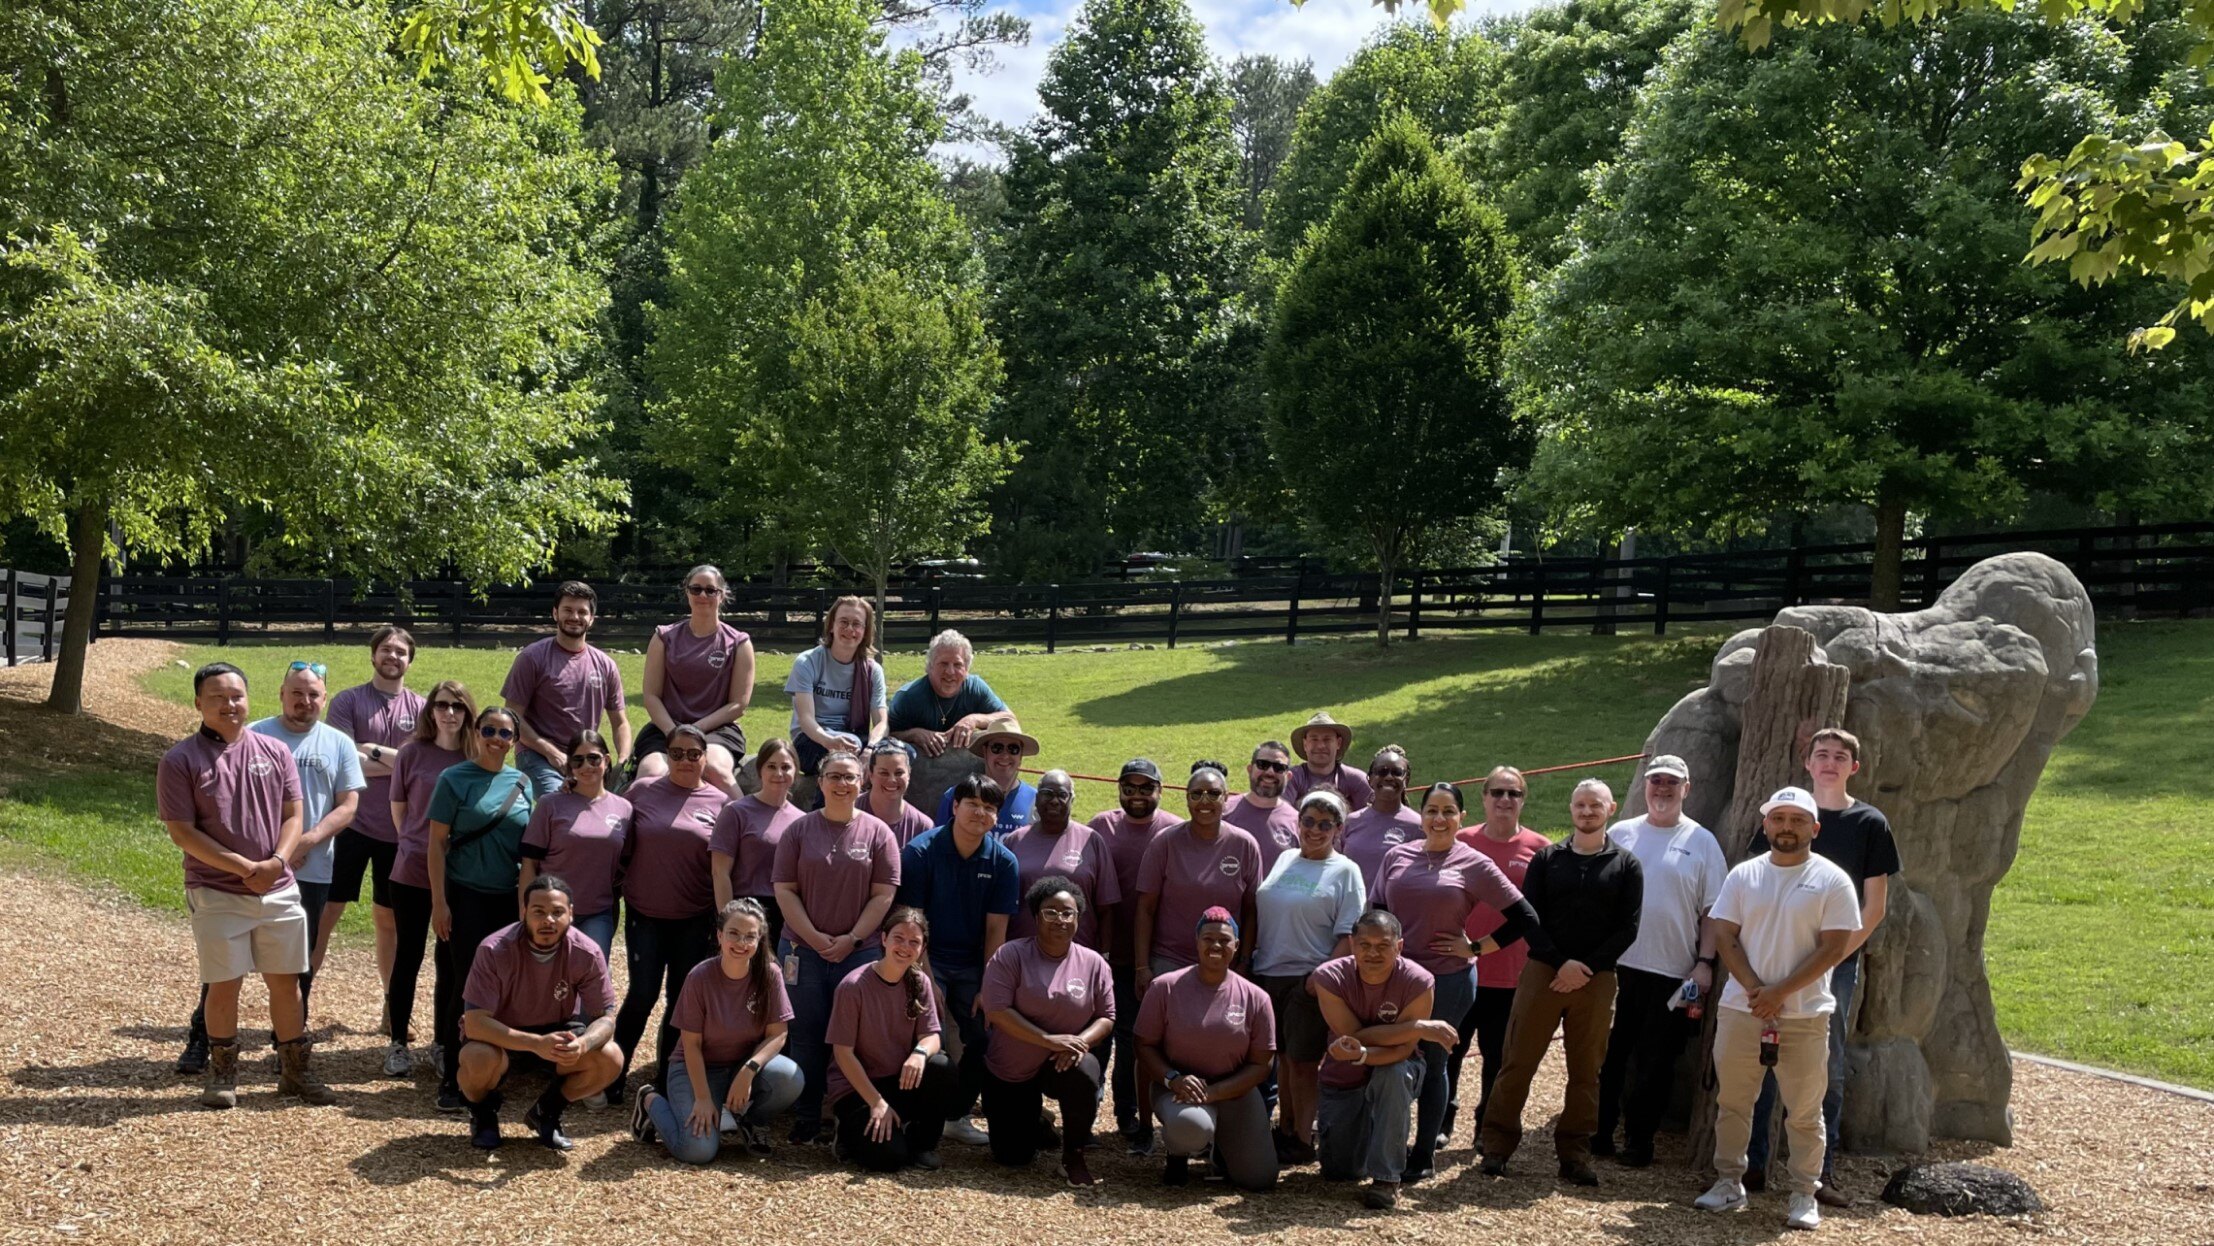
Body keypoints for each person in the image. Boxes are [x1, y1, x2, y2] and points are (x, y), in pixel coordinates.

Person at [158, 662, 334, 1109]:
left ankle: (295, 1071)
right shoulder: (180, 760)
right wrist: (238, 865)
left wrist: (276, 861)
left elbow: (294, 815)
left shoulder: (274, 752)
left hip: (277, 887)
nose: (229, 705)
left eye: (236, 696)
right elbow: (181, 831)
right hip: (217, 891)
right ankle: (223, 1074)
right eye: (217, 698)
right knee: (224, 984)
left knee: (286, 982)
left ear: (249, 699)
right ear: (199, 704)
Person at [1694, 787, 1861, 1232]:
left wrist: (1780, 992)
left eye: (1798, 820)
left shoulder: (1833, 879)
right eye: (1779, 819)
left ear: (1815, 828)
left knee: (1805, 1110)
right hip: (1741, 1010)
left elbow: (1835, 947)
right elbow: (1725, 934)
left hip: (1805, 1015)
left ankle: (1804, 1192)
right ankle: (1729, 1181)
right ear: (1766, 825)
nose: (1787, 827)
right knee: (1732, 1102)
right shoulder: (1744, 875)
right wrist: (1755, 990)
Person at [1744, 728, 1900, 1205]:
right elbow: (1755, 885)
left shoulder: (1869, 823)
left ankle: (1817, 1176)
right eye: (1821, 755)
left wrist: (1828, 959)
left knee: (1822, 1066)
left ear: (1854, 767)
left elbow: (1873, 908)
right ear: (1807, 763)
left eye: (1840, 756)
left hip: (1836, 966)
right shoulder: (1784, 814)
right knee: (1758, 1060)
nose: (1830, 762)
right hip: (1772, 959)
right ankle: (1750, 1167)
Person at [1369, 780, 1538, 1181]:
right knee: (1387, 1055)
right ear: (1421, 815)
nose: (1439, 819)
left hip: (1447, 979)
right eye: (1432, 810)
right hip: (1395, 977)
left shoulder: (1472, 862)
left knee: (1434, 1060)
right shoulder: (1397, 856)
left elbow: (1525, 917)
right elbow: (1376, 909)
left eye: (1448, 811)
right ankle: (1381, 1144)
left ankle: (1423, 1153)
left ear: (1462, 817)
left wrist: (1477, 948)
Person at [1478, 779, 1644, 1186]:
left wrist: (1584, 967)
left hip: (1597, 977)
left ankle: (1574, 1154)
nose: (1587, 812)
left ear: (1611, 808)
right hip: (1542, 972)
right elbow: (1530, 918)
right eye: (1580, 805)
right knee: (1517, 1061)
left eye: (1595, 805)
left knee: (1586, 1071)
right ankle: (1497, 1147)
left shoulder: (1626, 865)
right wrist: (1559, 962)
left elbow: (1628, 928)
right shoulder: (1547, 859)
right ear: (1571, 810)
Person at [1595, 754, 1728, 1168]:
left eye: (1672, 782)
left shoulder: (1702, 842)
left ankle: (1640, 1140)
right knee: (1608, 1054)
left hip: (1673, 972)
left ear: (1686, 789)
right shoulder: (1620, 834)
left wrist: (1705, 962)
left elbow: (1713, 911)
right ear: (1646, 787)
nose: (1663, 789)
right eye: (1656, 782)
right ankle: (1598, 1133)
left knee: (1656, 1062)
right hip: (1616, 967)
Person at [772, 749, 901, 1143]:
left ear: (861, 782)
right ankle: (807, 1117)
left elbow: (884, 895)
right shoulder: (798, 830)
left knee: (852, 1038)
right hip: (802, 951)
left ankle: (845, 1113)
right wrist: (812, 937)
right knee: (806, 1035)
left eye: (849, 777)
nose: (842, 784)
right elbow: (785, 889)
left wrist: (852, 939)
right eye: (834, 776)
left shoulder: (879, 834)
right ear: (821, 781)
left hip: (858, 953)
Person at [456, 874, 623, 1150]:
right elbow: (475, 1024)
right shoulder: (493, 949)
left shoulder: (587, 952)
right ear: (524, 912)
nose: (548, 920)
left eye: (557, 912)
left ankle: (547, 1112)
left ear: (571, 913)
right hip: (501, 1034)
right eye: (539, 912)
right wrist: (535, 1044)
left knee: (610, 1058)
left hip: (557, 1029)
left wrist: (584, 1044)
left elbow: (605, 1019)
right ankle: (483, 1114)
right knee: (476, 1058)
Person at [899, 775, 1023, 1147]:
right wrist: (927, 979)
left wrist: (990, 984)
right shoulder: (921, 852)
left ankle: (957, 1114)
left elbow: (995, 932)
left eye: (989, 808)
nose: (980, 813)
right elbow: (912, 925)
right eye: (973, 804)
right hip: (924, 956)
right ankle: (911, 1116)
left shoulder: (1003, 862)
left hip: (973, 965)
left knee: (983, 1036)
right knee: (918, 1033)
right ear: (955, 807)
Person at [631, 898, 805, 1162]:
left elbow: (778, 1033)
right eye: (734, 934)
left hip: (740, 1066)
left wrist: (749, 1070)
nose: (741, 943)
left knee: (790, 1077)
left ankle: (751, 1120)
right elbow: (691, 1045)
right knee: (698, 1151)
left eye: (750, 936)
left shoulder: (770, 974)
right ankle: (651, 1101)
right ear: (720, 935)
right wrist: (702, 1098)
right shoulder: (700, 977)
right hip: (695, 1069)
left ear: (759, 941)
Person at [427, 704, 536, 1111]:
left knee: (503, 986)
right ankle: (454, 1075)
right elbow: (436, 845)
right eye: (489, 730)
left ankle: (492, 1066)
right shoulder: (453, 779)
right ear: (476, 732)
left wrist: (526, 907)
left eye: (505, 733)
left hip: (507, 898)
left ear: (514, 741)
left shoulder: (523, 782)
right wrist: (439, 902)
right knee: (464, 984)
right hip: (465, 894)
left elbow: (529, 853)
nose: (496, 738)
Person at [611, 723, 727, 1099]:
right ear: (666, 755)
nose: (685, 761)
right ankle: (612, 1074)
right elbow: (610, 821)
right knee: (641, 995)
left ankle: (666, 1081)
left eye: (694, 754)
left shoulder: (719, 802)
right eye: (677, 753)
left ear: (705, 757)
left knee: (681, 1003)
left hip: (695, 918)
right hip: (646, 914)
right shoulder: (643, 791)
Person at [1311, 910, 1455, 1210]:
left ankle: (1387, 1179)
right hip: (1343, 1071)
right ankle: (1373, 1131)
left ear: (1399, 947)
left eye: (1383, 945)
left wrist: (1364, 1053)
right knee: (1341, 1172)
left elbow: (1401, 1050)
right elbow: (1352, 1034)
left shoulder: (1418, 981)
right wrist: (1416, 1027)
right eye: (1365, 945)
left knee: (1393, 1074)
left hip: (1396, 1064)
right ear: (1352, 944)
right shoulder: (1328, 976)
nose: (1373, 953)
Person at [1252, 790, 1366, 1165]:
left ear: (1337, 829)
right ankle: (1284, 1128)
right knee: (1282, 1058)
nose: (1314, 830)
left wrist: (1318, 979)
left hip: (1308, 977)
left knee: (1302, 1063)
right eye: (1308, 821)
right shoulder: (1285, 858)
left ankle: (1302, 1136)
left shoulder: (1345, 870)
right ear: (1297, 822)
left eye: (1325, 824)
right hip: (1269, 972)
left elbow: (1349, 933)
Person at [248, 660, 365, 1025]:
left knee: (301, 959)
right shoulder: (253, 736)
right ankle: (203, 1036)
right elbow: (239, 802)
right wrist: (279, 852)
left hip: (313, 869)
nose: (304, 700)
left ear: (324, 698)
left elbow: (348, 806)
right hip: (256, 866)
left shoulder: (339, 743)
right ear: (281, 694)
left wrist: (309, 840)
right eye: (296, 692)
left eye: (312, 694)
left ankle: (290, 1041)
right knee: (229, 955)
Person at [980, 877, 1117, 1184]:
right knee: (1012, 1158)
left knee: (1085, 1072)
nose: (1060, 919)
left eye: (1068, 912)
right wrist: (1048, 1039)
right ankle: (1037, 1122)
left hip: (1063, 1062)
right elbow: (997, 1012)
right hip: (1012, 1068)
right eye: (1050, 912)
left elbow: (1106, 1017)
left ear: (1078, 918)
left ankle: (1073, 1157)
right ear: (1035, 916)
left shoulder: (1093, 963)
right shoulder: (1010, 955)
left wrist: (1079, 1043)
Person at [1442, 765, 1551, 1147]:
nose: (1505, 800)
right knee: (1449, 1050)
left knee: (1497, 1056)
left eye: (1514, 793)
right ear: (1483, 797)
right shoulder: (1461, 841)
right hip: (1458, 969)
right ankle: (1442, 1121)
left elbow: (1538, 914)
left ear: (1523, 800)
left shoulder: (1540, 849)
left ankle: (1486, 1126)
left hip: (1510, 975)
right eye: (1498, 792)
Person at [323, 624, 424, 1027]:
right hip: (350, 825)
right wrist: (396, 759)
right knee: (327, 913)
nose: (393, 657)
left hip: (398, 832)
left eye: (401, 652)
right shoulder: (348, 702)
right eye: (386, 649)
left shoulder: (421, 708)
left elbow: (416, 766)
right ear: (373, 655)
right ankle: (300, 998)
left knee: (389, 921)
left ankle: (391, 1004)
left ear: (410, 660)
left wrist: (372, 750)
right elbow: (341, 765)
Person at [1136, 907, 1279, 1190]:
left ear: (1237, 946)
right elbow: (1143, 1045)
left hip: (1234, 1091)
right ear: (1196, 942)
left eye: (1225, 940)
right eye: (1208, 938)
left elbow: (1262, 1065)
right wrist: (1172, 1079)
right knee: (1191, 1129)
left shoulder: (1257, 998)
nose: (1216, 945)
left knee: (1259, 1180)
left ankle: (1223, 1151)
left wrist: (1215, 1092)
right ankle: (1177, 1153)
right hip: (1178, 1088)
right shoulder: (1164, 987)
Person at [1088, 757, 1183, 1150]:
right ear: (1119, 789)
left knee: (1133, 1040)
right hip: (1101, 952)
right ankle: (1087, 1112)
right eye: (1130, 787)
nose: (1138, 795)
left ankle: (1128, 1113)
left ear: (1160, 790)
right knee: (1097, 1036)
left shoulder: (1175, 829)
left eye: (1147, 788)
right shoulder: (1100, 827)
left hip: (1151, 955)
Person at [382, 679, 475, 1079]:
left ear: (468, 712)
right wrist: (415, 843)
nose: (449, 713)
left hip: (459, 874)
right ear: (430, 711)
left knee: (449, 963)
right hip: (411, 872)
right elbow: (399, 810)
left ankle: (441, 1042)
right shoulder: (412, 753)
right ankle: (398, 1042)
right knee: (408, 957)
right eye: (441, 705)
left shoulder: (476, 756)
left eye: (457, 706)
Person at [827, 907, 965, 1172]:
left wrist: (919, 1053)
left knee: (941, 1066)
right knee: (889, 1159)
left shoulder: (920, 981)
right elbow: (843, 1053)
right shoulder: (854, 986)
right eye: (898, 938)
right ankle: (846, 1132)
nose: (905, 947)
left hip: (899, 1080)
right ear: (883, 939)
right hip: (857, 1088)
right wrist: (876, 1102)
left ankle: (922, 1144)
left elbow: (932, 1036)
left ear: (923, 948)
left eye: (914, 942)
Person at [1135, 764, 1262, 987]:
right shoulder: (1165, 843)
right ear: (1187, 799)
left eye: (1213, 793)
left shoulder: (1245, 845)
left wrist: (1243, 962)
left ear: (1226, 797)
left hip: (1225, 964)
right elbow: (1145, 908)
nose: (1204, 801)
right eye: (1196, 794)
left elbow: (1252, 910)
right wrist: (1142, 967)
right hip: (1170, 961)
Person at [502, 580, 632, 797]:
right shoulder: (532, 658)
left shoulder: (605, 665)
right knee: (562, 803)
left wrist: (622, 761)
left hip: (586, 756)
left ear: (591, 619)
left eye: (582, 612)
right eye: (568, 610)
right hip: (538, 755)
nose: (575, 617)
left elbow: (620, 722)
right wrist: (552, 752)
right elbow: (512, 718)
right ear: (555, 613)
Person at [636, 565, 756, 796]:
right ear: (687, 592)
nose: (703, 595)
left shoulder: (739, 643)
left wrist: (694, 731)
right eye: (696, 589)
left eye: (710, 590)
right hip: (666, 728)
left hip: (718, 730)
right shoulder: (663, 637)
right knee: (651, 772)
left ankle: (745, 825)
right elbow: (651, 696)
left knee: (714, 769)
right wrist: (674, 733)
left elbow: (738, 704)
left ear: (721, 595)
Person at [518, 729, 632, 961]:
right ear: (569, 765)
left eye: (593, 758)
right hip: (549, 911)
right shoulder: (551, 804)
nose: (586, 766)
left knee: (592, 979)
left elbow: (625, 865)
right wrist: (525, 911)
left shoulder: (624, 809)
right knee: (546, 981)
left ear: (607, 760)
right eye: (578, 760)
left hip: (597, 912)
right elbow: (529, 863)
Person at [1003, 769, 1121, 951]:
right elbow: (1000, 907)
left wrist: (1104, 955)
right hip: (1022, 954)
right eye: (1047, 794)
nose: (1054, 800)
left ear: (1072, 799)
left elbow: (1106, 909)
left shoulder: (1092, 841)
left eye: (1062, 795)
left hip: (1078, 956)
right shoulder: (1015, 840)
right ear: (1037, 798)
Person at [710, 738, 805, 952]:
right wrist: (728, 922)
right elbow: (720, 872)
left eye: (785, 767)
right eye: (771, 766)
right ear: (760, 769)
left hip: (786, 914)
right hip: (744, 909)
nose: (778, 773)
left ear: (795, 772)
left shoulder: (802, 820)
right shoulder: (736, 812)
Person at [785, 595, 887, 776]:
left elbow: (881, 722)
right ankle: (825, 805)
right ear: (831, 625)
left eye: (857, 624)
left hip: (854, 738)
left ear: (865, 630)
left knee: (897, 756)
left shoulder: (873, 671)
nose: (849, 629)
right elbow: (806, 719)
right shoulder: (807, 662)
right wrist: (829, 741)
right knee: (840, 764)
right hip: (812, 739)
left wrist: (871, 748)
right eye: (843, 622)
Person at [888, 629, 1009, 758]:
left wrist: (974, 720)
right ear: (929, 666)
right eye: (943, 664)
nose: (950, 672)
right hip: (918, 770)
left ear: (967, 669)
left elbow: (1009, 721)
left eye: (957, 665)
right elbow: (884, 738)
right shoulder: (908, 696)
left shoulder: (975, 688)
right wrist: (914, 734)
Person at [932, 714, 1039, 834]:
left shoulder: (1037, 800)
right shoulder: (955, 796)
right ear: (985, 751)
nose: (1004, 755)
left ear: (1020, 755)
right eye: (997, 748)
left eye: (1013, 749)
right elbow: (938, 846)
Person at [1339, 746, 1419, 885]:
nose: (1388, 777)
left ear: (1407, 779)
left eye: (1397, 772)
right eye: (1381, 772)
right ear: (1370, 779)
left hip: (1396, 906)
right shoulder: (1351, 821)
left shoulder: (1418, 826)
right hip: (1352, 905)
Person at [1224, 741, 1299, 873]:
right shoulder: (1223, 811)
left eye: (1279, 768)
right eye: (1262, 765)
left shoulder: (1297, 822)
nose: (1270, 772)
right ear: (1250, 769)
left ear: (1288, 776)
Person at [1287, 712, 1372, 808]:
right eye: (1314, 739)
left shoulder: (1357, 780)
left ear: (1338, 743)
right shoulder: (1291, 779)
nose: (1320, 746)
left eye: (1327, 739)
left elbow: (1372, 817)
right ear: (1305, 744)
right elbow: (1281, 815)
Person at [862, 740, 935, 847]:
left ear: (909, 774)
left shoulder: (923, 827)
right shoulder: (847, 810)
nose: (892, 780)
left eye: (899, 773)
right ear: (871, 775)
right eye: (884, 773)